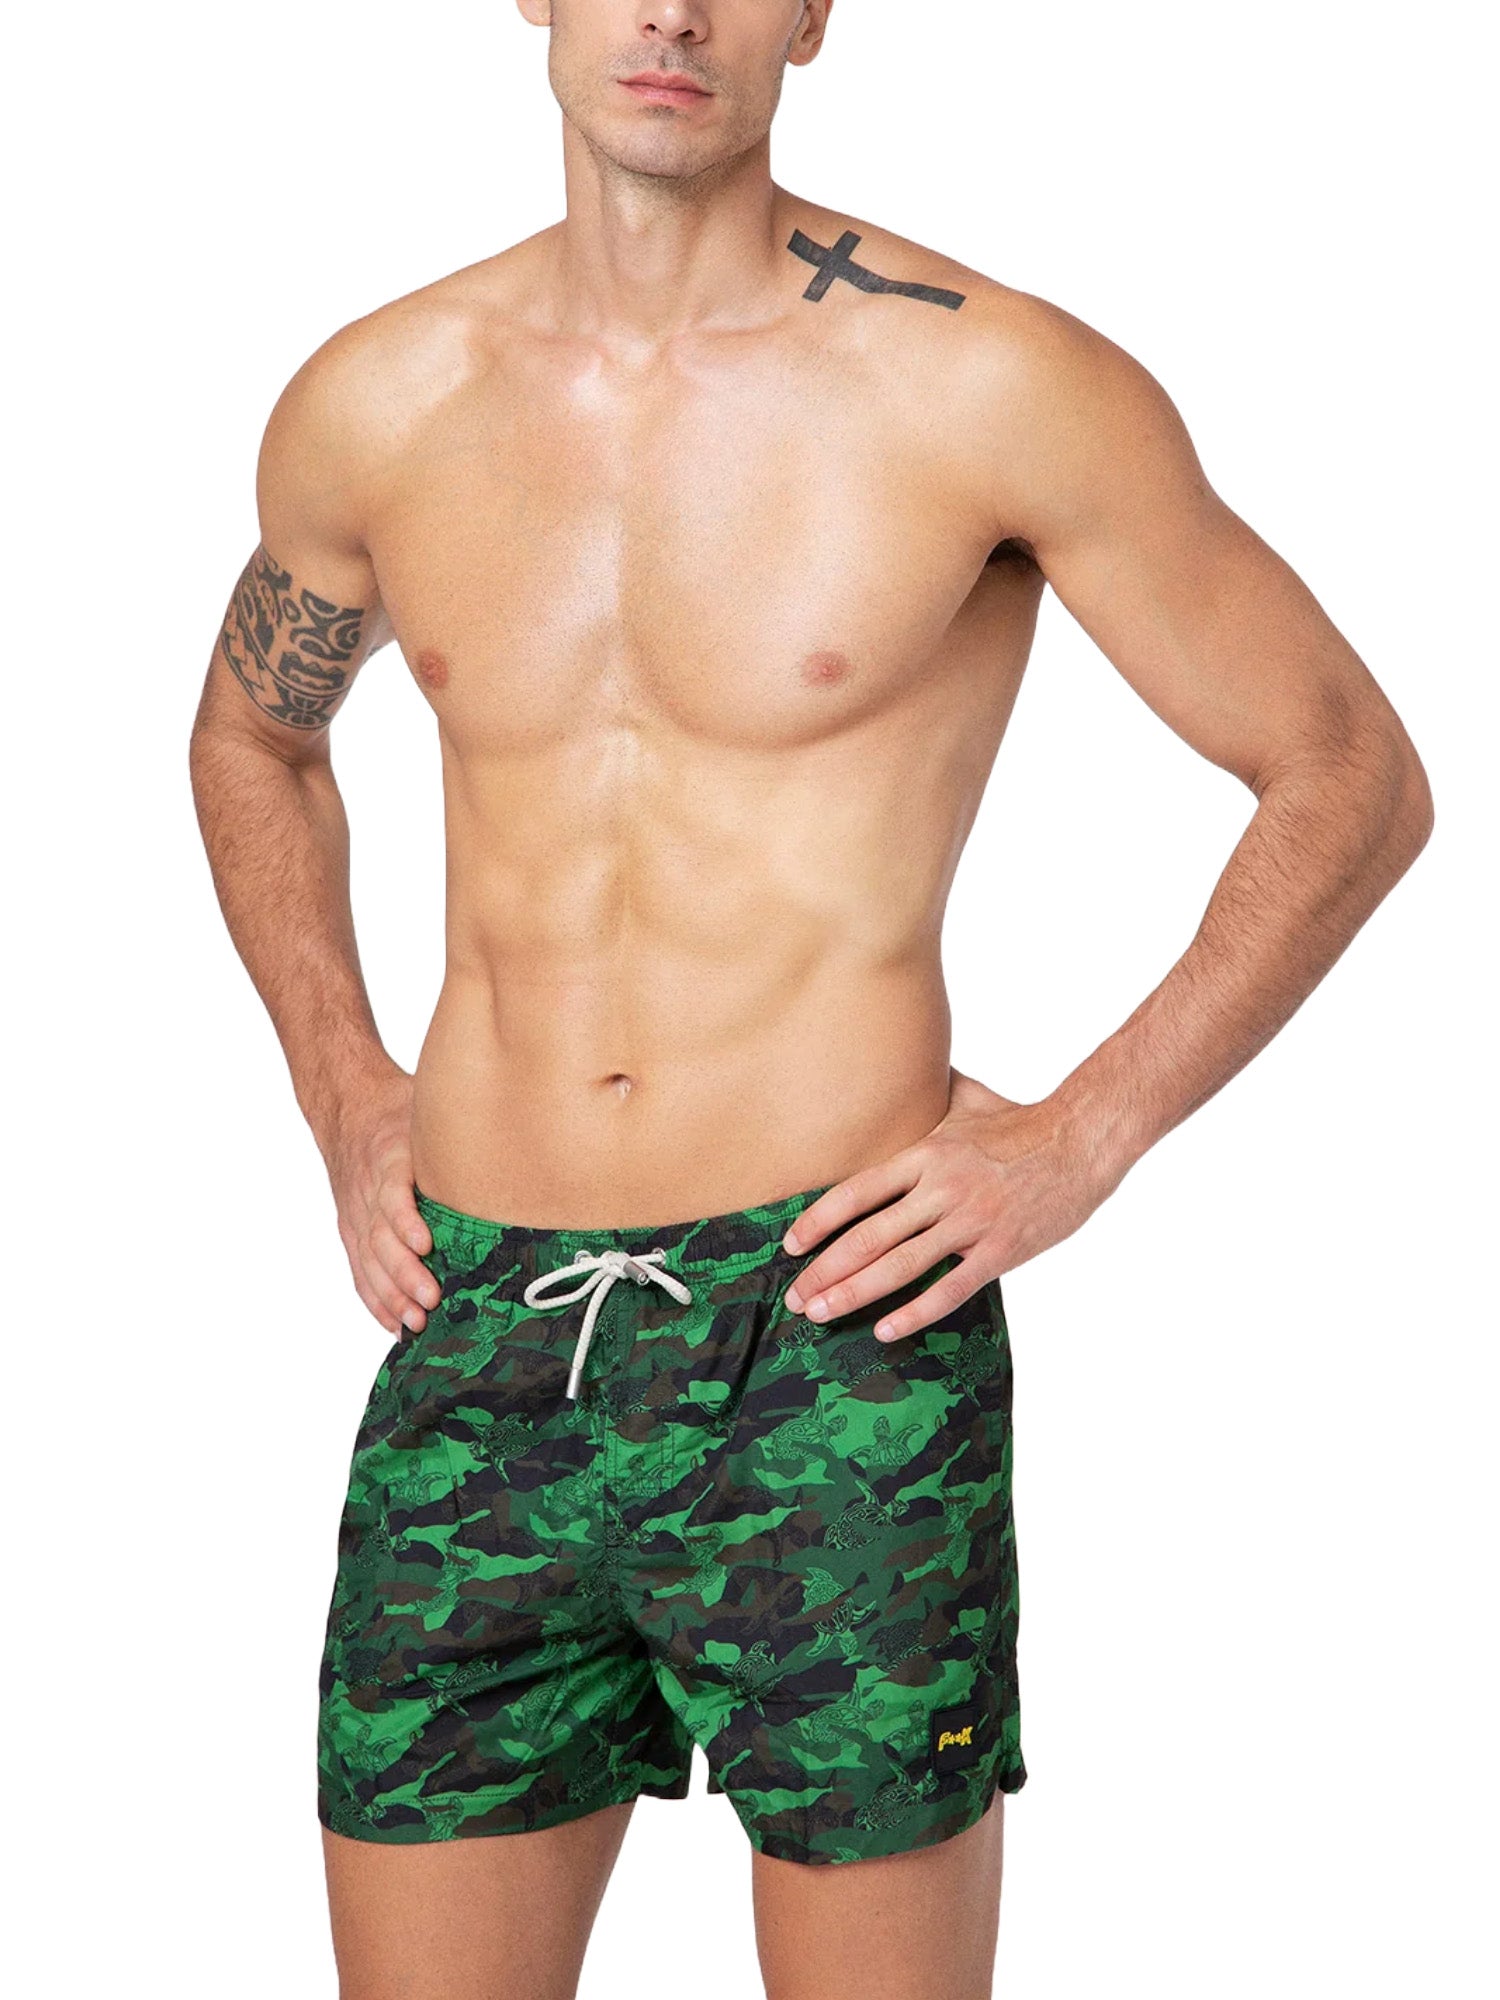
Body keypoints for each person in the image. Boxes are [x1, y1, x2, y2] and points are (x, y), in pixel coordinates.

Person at [186, 3, 1432, 1995]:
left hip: (837, 1335)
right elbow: (256, 738)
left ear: (816, 11)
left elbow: (1347, 768)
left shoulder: (990, 383)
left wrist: (1081, 1137)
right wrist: (343, 1083)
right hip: (478, 1327)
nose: (673, 11)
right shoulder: (381, 398)